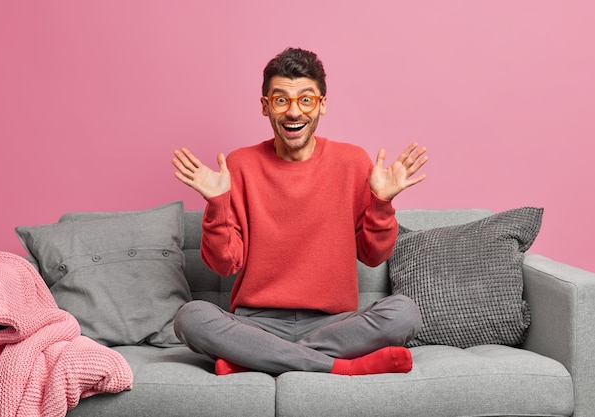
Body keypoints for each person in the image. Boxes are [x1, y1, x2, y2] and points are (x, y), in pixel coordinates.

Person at [172, 47, 427, 376]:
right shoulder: (239, 165)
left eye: (306, 100)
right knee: (190, 318)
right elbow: (224, 264)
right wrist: (217, 202)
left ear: (322, 104)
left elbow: (373, 256)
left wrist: (381, 202)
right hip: (256, 324)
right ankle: (339, 367)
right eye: (281, 100)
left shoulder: (352, 162)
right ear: (266, 107)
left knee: (405, 312)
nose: (294, 112)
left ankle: (254, 358)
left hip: (335, 324)